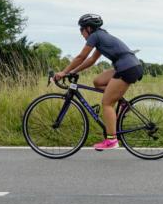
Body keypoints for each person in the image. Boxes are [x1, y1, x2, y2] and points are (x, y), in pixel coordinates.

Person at [55, 14, 144, 150]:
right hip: (129, 66)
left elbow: (81, 57)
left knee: (107, 103)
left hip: (127, 68)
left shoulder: (95, 36)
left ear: (89, 28)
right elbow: (91, 60)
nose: (81, 34)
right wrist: (74, 72)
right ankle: (118, 102)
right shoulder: (101, 36)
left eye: (81, 30)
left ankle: (112, 140)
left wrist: (64, 72)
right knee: (98, 81)